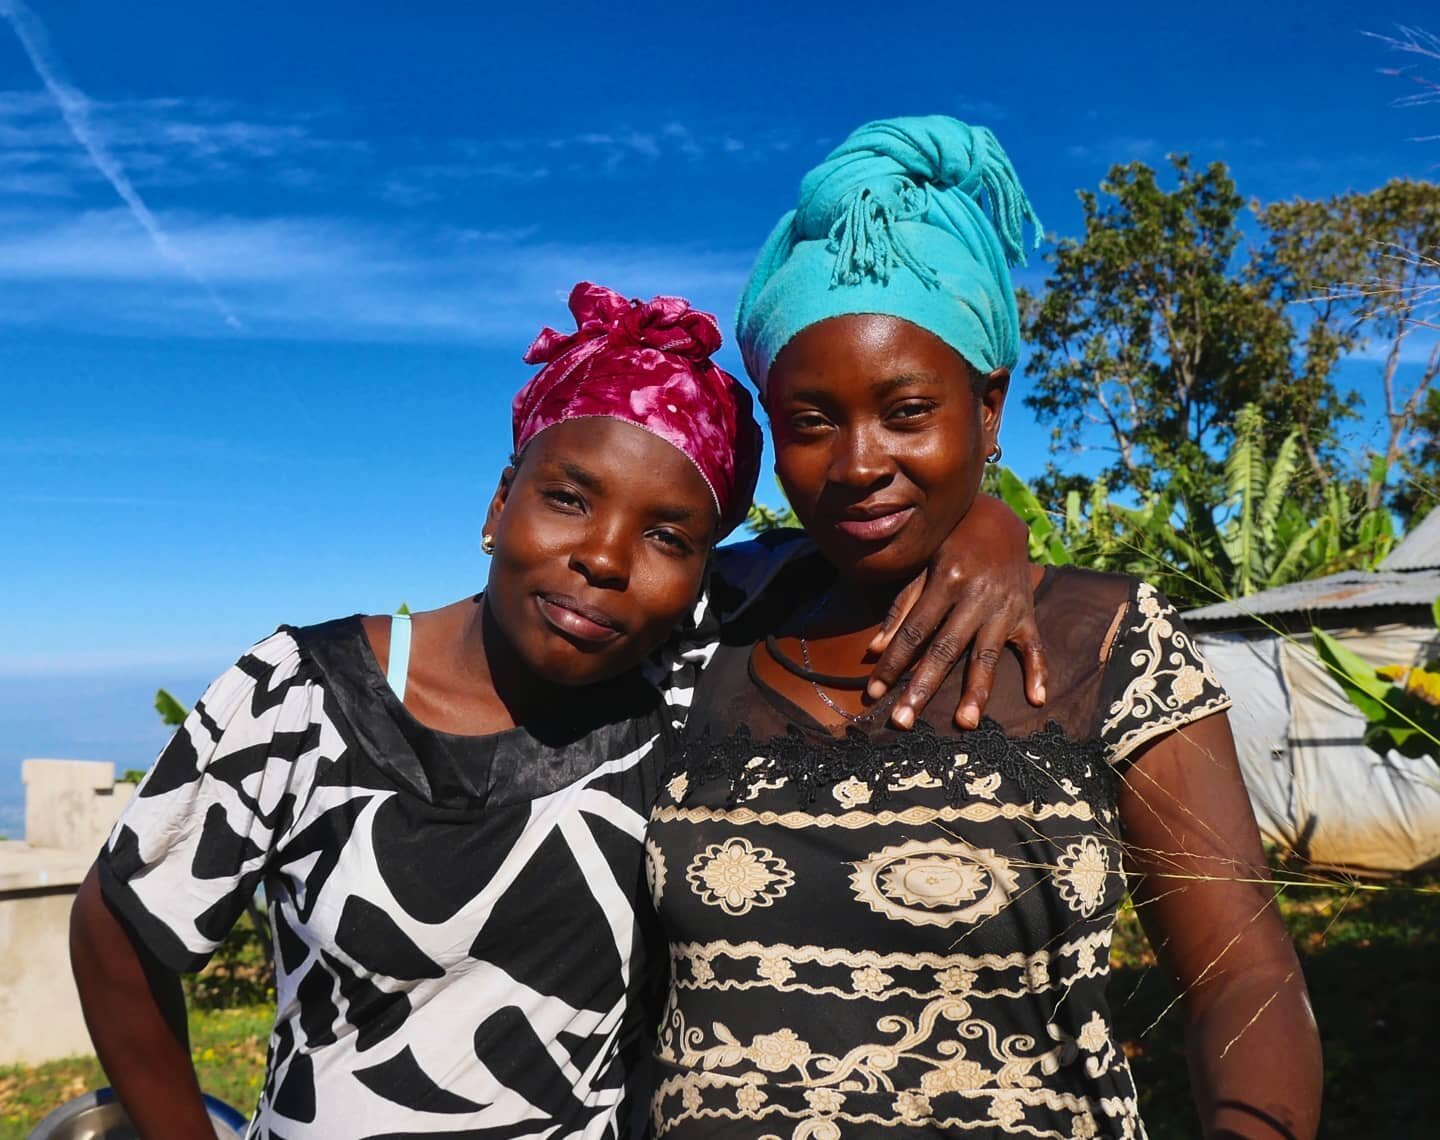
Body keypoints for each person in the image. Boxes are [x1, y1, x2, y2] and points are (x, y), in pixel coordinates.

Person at [69, 282, 1045, 1140]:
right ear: (501, 505)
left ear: (700, 573)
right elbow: (118, 931)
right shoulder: (299, 696)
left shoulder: (675, 684)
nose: (608, 558)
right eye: (570, 499)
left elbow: (863, 535)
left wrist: (987, 524)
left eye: (668, 534)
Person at [645, 117, 1322, 1140]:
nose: (859, 462)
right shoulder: (708, 627)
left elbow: (1249, 982)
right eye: (812, 423)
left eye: (908, 412)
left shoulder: (1105, 643)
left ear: (988, 407)